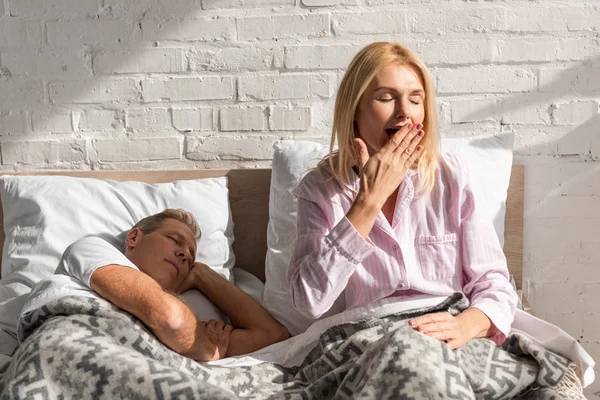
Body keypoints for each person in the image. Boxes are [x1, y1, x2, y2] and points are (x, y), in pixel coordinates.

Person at [288, 42, 518, 349]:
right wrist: (367, 202)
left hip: (450, 337)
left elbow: (494, 285)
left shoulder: (451, 176)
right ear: (354, 109)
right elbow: (308, 301)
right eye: (386, 97)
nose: (405, 112)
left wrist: (465, 325)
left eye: (415, 99)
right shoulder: (320, 188)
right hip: (371, 341)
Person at [21, 209, 289, 361]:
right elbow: (169, 317)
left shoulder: (194, 307)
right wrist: (204, 346)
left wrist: (202, 275)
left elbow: (272, 335)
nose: (184, 254)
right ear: (135, 237)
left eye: (191, 257)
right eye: (174, 240)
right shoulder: (93, 249)